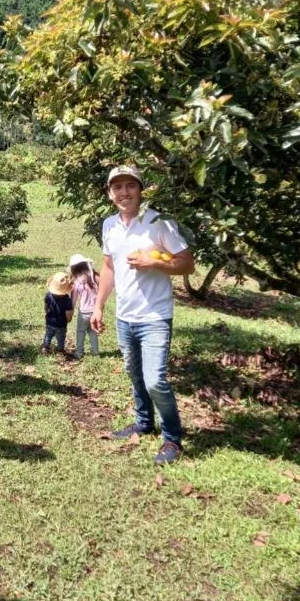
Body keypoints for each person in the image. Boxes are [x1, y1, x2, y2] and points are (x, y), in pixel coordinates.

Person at [90, 165, 195, 465]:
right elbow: (109, 266)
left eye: (130, 186)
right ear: (110, 194)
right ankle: (144, 422)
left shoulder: (159, 223)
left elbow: (187, 264)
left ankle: (172, 438)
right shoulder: (109, 225)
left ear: (140, 190)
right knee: (135, 374)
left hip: (155, 316)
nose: (124, 192)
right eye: (117, 187)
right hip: (125, 317)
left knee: (155, 380)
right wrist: (98, 305)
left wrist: (154, 262)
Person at [68, 253, 100, 359]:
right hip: (95, 311)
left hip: (84, 312)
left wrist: (70, 311)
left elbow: (73, 299)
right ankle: (95, 351)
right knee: (93, 331)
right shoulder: (95, 276)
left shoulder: (77, 281)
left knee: (81, 331)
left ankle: (79, 352)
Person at [41, 271, 73, 354]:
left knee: (48, 335)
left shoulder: (48, 295)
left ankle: (45, 347)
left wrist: (47, 313)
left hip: (49, 322)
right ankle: (60, 351)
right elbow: (68, 313)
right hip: (61, 324)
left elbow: (46, 307)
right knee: (61, 338)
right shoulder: (67, 299)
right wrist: (69, 319)